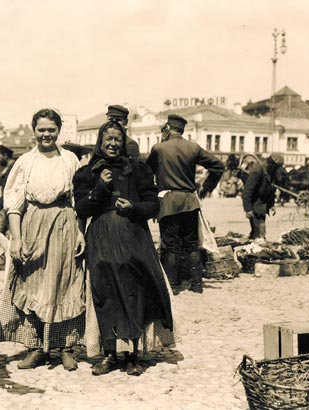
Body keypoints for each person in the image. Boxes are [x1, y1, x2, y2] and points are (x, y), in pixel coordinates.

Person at [73, 120, 175, 376]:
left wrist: (134, 208)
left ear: (124, 142)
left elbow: (153, 204)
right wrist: (100, 188)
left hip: (133, 239)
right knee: (105, 295)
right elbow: (82, 209)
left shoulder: (138, 170)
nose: (113, 143)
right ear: (99, 141)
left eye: (117, 139)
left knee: (135, 292)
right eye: (108, 139)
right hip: (101, 241)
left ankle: (132, 355)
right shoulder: (87, 173)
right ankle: (109, 354)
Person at [0, 108, 86, 371]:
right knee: (32, 284)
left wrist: (79, 232)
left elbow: (77, 200)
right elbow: (13, 203)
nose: (46, 135)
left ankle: (65, 347)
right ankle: (35, 348)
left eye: (51, 130)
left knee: (65, 283)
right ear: (34, 130)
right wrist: (16, 238)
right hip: (33, 223)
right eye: (41, 130)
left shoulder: (70, 160)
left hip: (64, 224)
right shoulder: (24, 162)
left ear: (59, 131)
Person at [146, 114, 224, 294]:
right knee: (191, 244)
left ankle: (172, 286)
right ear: (182, 130)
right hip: (190, 202)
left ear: (167, 128)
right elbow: (218, 166)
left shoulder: (159, 148)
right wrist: (207, 188)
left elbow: (146, 172)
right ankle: (197, 284)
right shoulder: (193, 147)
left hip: (168, 203)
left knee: (171, 245)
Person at [241, 153, 284, 240]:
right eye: (276, 167)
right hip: (255, 208)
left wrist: (271, 204)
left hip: (262, 208)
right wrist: (248, 209)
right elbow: (247, 192)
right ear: (271, 164)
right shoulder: (258, 171)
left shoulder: (271, 172)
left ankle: (252, 247)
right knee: (260, 235)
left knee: (256, 233)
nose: (277, 169)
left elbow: (270, 189)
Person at [0, 144, 15, 234]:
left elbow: (8, 192)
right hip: (6, 205)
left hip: (7, 206)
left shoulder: (12, 170)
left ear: (5, 156)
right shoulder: (8, 168)